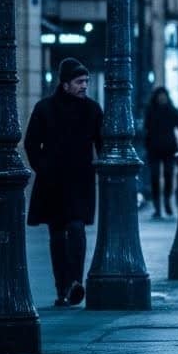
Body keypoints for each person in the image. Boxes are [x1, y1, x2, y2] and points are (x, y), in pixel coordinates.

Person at [24, 57, 104, 307]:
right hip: (53, 183)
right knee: (57, 236)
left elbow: (102, 144)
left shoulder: (92, 110)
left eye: (86, 82)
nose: (84, 86)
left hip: (80, 181)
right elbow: (30, 144)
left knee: (77, 230)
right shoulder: (44, 108)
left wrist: (104, 169)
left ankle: (74, 283)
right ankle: (62, 289)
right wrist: (43, 168)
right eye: (79, 82)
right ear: (65, 84)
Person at [143, 87, 178, 219]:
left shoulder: (172, 110)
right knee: (154, 177)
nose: (162, 98)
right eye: (160, 96)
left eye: (163, 96)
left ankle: (166, 202)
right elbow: (146, 128)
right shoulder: (150, 111)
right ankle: (158, 207)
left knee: (169, 175)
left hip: (169, 148)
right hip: (154, 148)